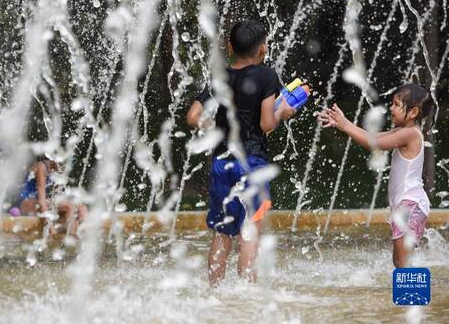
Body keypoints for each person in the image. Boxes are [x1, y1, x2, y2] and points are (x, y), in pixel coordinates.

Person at [186, 20, 296, 285]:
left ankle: (214, 288)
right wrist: (284, 111)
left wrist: (216, 129)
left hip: (222, 162)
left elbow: (193, 116)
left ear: (230, 46)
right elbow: (267, 124)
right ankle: (246, 291)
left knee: (222, 230)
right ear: (262, 49)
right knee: (250, 228)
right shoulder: (266, 76)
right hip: (253, 164)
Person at [319, 83, 434, 268]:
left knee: (403, 261)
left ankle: (412, 294)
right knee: (399, 261)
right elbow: (373, 136)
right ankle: (409, 292)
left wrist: (345, 125)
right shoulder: (403, 131)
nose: (391, 108)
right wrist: (343, 124)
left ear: (412, 112)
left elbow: (374, 143)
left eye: (396, 104)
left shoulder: (411, 134)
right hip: (406, 204)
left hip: (409, 204)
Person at [16, 159, 87, 237]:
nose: (65, 168)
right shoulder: (42, 167)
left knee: (82, 208)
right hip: (26, 203)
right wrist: (51, 230)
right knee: (68, 206)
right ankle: (71, 238)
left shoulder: (58, 170)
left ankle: (79, 237)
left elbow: (57, 198)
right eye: (63, 163)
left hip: (43, 203)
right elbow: (41, 202)